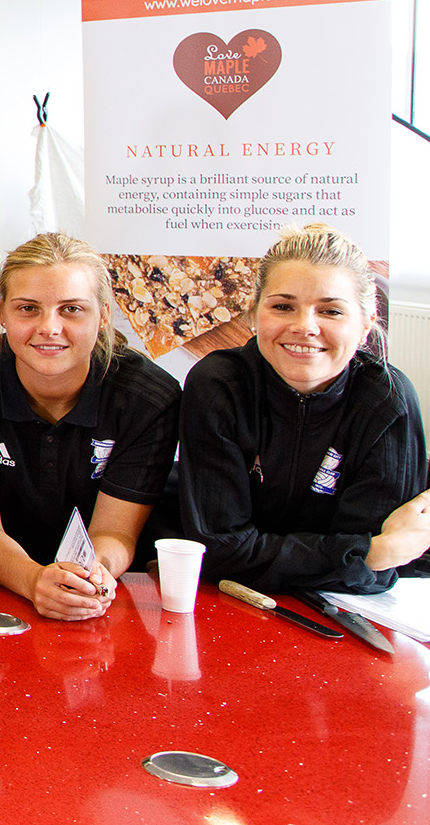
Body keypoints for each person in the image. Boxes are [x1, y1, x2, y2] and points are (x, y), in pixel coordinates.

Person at [0, 234, 180, 620]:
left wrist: (91, 574)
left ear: (103, 315)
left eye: (71, 309)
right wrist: (35, 581)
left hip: (94, 598)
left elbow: (117, 533)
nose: (49, 327)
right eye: (28, 308)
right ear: (0, 314)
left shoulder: (149, 398)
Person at [181, 224, 430, 594]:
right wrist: (368, 554)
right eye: (283, 306)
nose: (304, 327)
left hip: (347, 613)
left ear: (365, 326)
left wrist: (369, 558)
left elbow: (375, 576)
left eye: (330, 311)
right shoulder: (218, 385)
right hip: (228, 600)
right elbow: (219, 551)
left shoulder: (387, 400)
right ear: (254, 314)